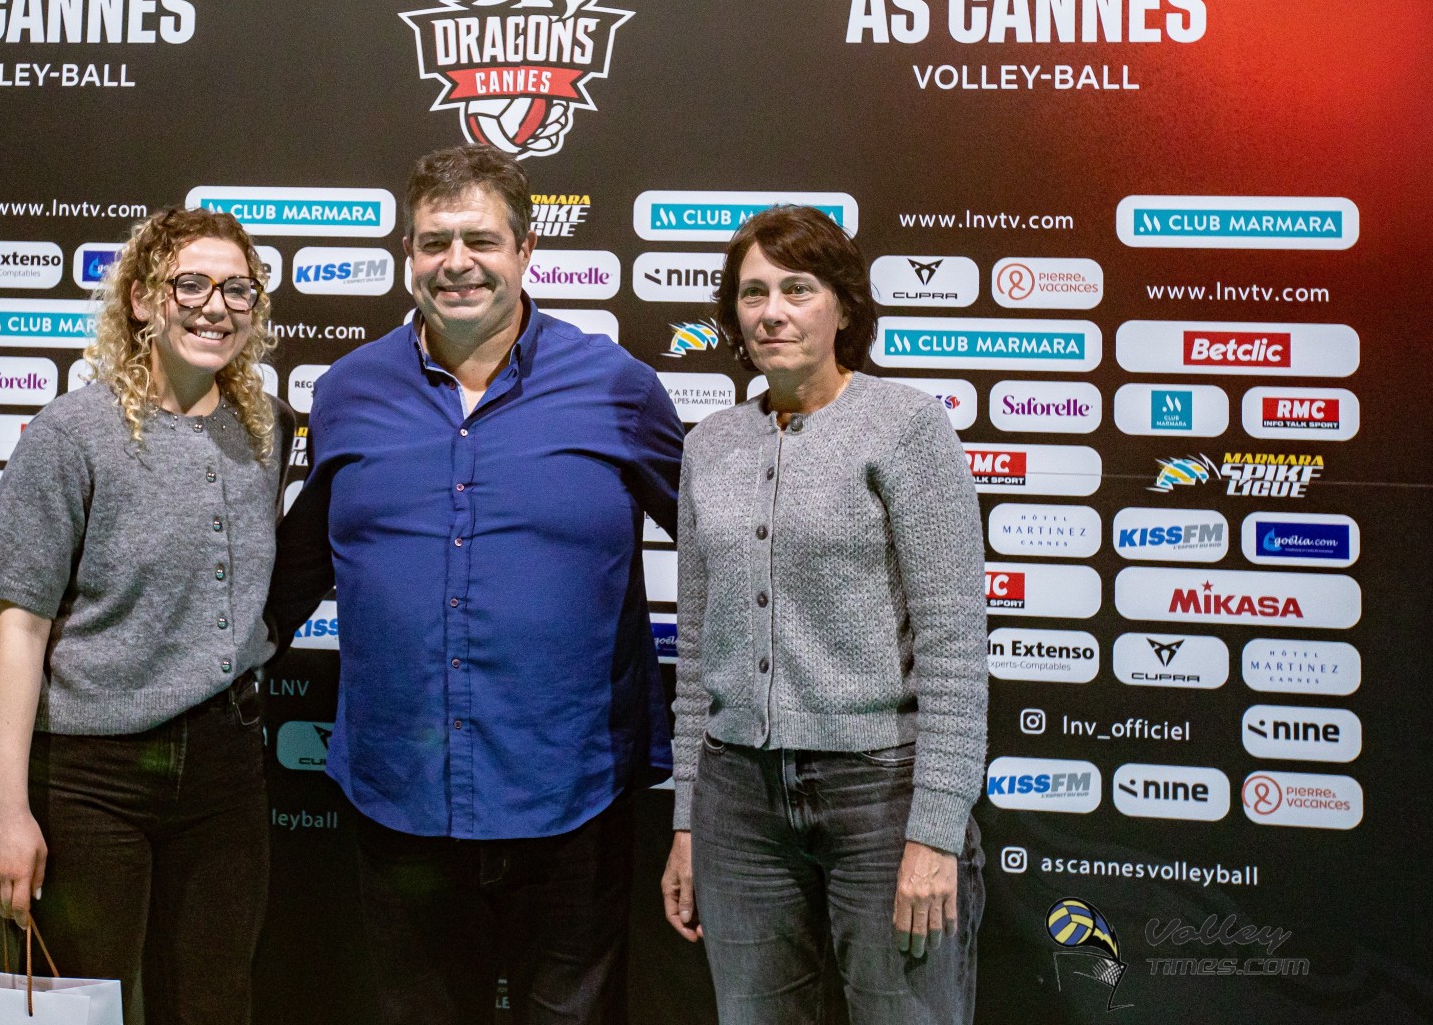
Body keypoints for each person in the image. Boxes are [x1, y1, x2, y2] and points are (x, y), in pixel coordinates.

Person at [266, 144, 684, 1025]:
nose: (457, 262)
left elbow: (725, 550)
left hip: (572, 793)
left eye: (481, 240)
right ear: (408, 255)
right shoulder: (346, 393)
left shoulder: (619, 390)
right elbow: (295, 569)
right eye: (434, 242)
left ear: (525, 250)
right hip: (399, 795)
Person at [659, 205, 988, 1025]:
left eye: (797, 289)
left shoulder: (905, 427)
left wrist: (936, 832)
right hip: (737, 800)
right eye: (753, 293)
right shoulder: (709, 445)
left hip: (881, 794)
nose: (771, 312)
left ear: (842, 306)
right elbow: (696, 650)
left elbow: (952, 645)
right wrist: (688, 820)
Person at [0, 206, 290, 1025]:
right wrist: (6, 811)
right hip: (94, 777)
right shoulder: (70, 435)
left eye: (237, 290)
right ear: (144, 299)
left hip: (225, 769)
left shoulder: (264, 431)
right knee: (82, 1005)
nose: (215, 307)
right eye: (191, 285)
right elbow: (19, 633)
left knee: (216, 1004)